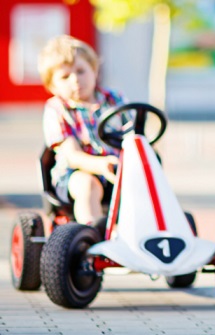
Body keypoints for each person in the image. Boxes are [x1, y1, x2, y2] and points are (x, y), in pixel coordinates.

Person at [38, 35, 127, 226]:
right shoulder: (57, 109)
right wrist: (100, 165)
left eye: (81, 71)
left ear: (94, 71)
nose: (75, 81)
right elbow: (72, 155)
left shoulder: (114, 99)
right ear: (52, 86)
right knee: (88, 185)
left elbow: (133, 133)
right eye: (65, 76)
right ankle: (91, 238)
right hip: (74, 174)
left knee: (147, 187)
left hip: (117, 170)